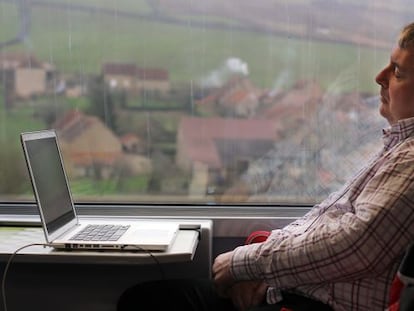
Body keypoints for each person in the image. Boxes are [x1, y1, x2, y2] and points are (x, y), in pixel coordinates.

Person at [117, 22, 414, 311]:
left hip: (316, 302)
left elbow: (353, 247)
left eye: (398, 71)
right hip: (297, 288)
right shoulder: (396, 148)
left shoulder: (410, 160)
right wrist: (263, 270)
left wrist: (241, 264)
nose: (380, 76)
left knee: (147, 301)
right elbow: (326, 227)